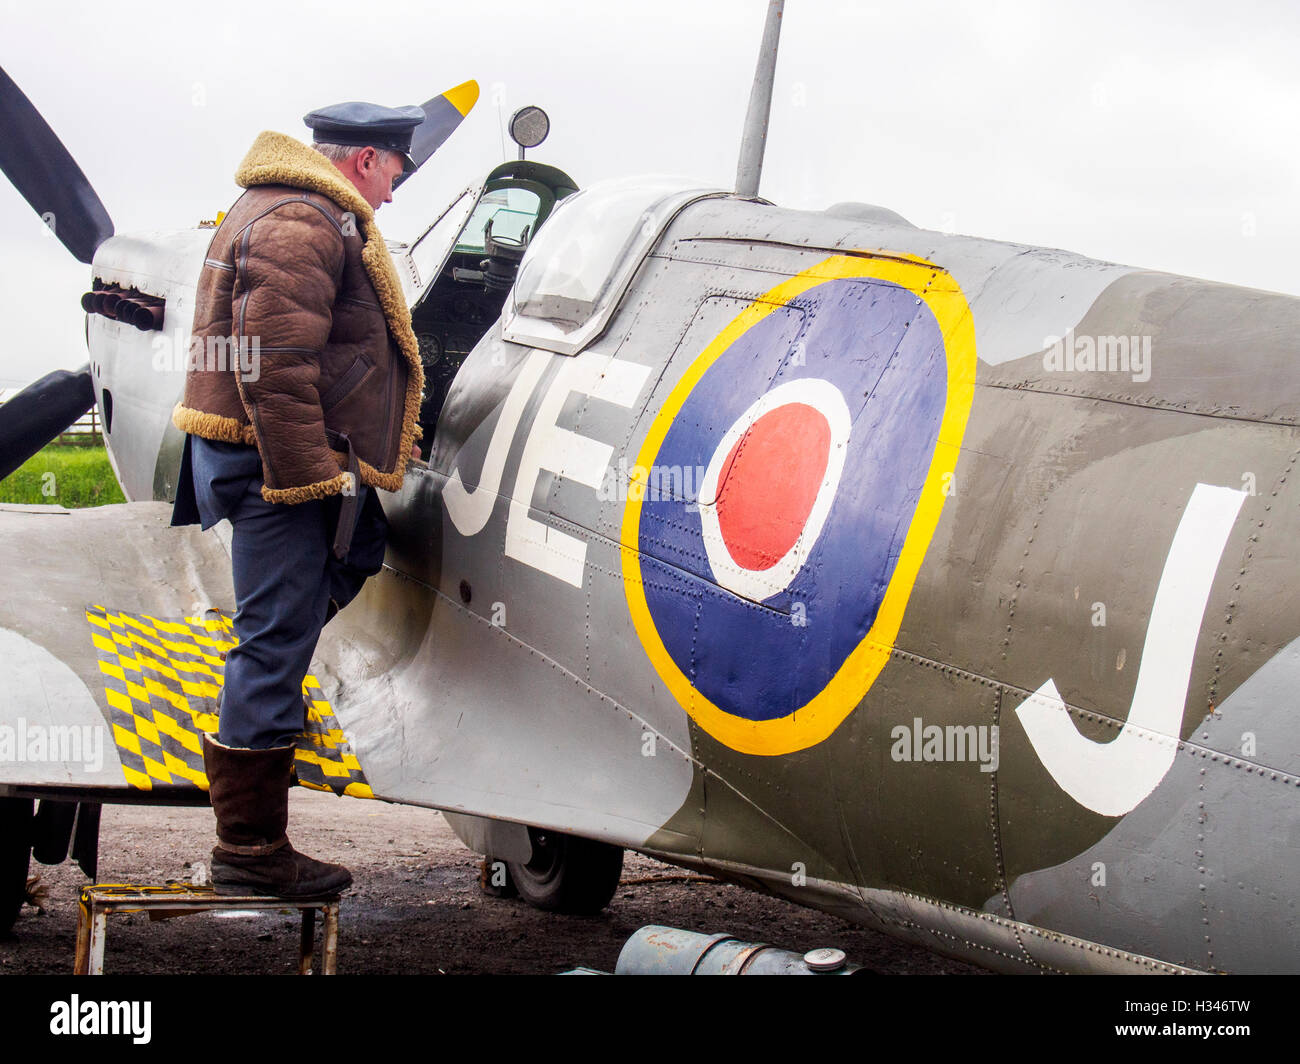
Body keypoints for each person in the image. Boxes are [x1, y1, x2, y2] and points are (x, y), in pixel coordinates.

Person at [170, 101, 427, 897]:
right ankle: (248, 851)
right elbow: (273, 369)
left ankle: (262, 703)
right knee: (274, 639)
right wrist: (306, 479)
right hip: (276, 466)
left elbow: (325, 354)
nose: (394, 191)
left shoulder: (295, 209)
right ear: (361, 161)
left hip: (283, 456)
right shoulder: (303, 222)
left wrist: (383, 437)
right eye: (393, 172)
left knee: (356, 558)